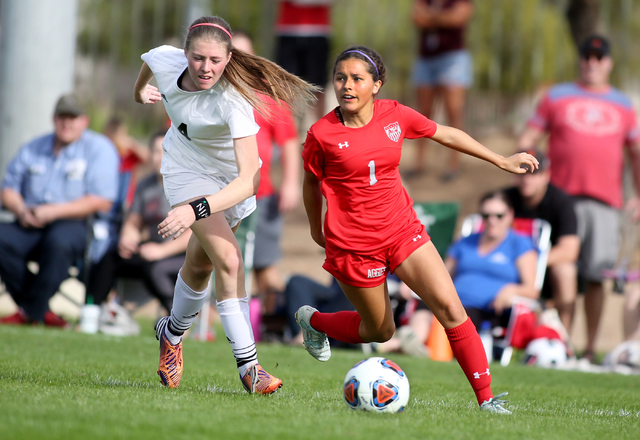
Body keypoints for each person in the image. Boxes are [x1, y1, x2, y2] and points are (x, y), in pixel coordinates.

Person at [296, 45, 539, 414]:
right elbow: (311, 185)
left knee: (450, 308)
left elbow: (446, 134)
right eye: (340, 78)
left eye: (357, 78)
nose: (346, 85)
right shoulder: (322, 134)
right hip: (353, 246)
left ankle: (487, 399)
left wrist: (500, 159)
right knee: (380, 331)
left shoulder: (396, 115)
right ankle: (312, 320)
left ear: (376, 85)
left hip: (401, 230)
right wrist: (317, 231)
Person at [133, 15, 318, 394]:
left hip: (229, 183)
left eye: (216, 61)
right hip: (185, 170)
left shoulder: (234, 99)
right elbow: (149, 62)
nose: (206, 68)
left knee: (200, 264)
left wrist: (194, 210)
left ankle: (171, 333)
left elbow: (249, 180)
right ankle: (250, 368)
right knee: (230, 260)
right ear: (185, 54)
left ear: (229, 59)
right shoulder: (167, 60)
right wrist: (141, 92)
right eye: (198, 58)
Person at [517, 35, 640, 363]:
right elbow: (530, 136)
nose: (593, 62)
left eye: (599, 57)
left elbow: (637, 152)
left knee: (597, 275)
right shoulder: (556, 96)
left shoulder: (624, 104)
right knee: (562, 269)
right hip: (560, 198)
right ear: (580, 59)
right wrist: (522, 156)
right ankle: (559, 343)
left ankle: (587, 349)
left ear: (609, 62)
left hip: (604, 200)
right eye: (587, 55)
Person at [0, 94, 119, 327]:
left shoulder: (99, 149)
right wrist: (22, 210)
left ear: (84, 121)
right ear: (53, 119)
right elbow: (8, 190)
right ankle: (39, 309)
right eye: (62, 117)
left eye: (73, 118)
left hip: (74, 222)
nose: (67, 123)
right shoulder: (34, 147)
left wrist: (54, 212)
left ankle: (30, 313)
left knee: (59, 243)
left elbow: (102, 200)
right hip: (30, 219)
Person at [84, 129, 189, 334]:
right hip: (150, 250)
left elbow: (194, 234)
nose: (158, 157)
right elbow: (134, 221)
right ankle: (92, 314)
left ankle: (180, 324)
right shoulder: (145, 185)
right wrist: (127, 238)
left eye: (164, 151)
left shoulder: (185, 185)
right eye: (155, 152)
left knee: (155, 268)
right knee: (111, 255)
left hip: (181, 255)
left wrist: (161, 251)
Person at [231, 32, 301, 321]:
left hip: (262, 196)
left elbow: (289, 142)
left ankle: (273, 326)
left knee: (264, 264)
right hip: (218, 196)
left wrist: (290, 183)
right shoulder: (208, 94)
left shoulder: (268, 99)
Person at [503, 149, 580, 333]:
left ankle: (562, 339)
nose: (527, 179)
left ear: (546, 175)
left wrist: (529, 262)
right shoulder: (503, 201)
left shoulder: (561, 202)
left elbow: (569, 250)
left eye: (534, 173)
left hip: (542, 267)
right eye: (522, 171)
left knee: (566, 271)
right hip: (506, 265)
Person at [445, 191, 540, 329]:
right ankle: (410, 340)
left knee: (459, 317)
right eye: (486, 216)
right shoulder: (465, 242)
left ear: (510, 215)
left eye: (499, 216)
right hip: (450, 304)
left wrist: (511, 290)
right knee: (424, 307)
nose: (492, 220)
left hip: (485, 311)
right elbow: (442, 276)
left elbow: (532, 291)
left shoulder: (519, 244)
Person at [408, 0, 474, 181]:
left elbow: (458, 18)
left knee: (453, 111)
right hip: (426, 59)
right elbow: (417, 18)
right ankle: (419, 163)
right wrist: (443, 17)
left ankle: (454, 164)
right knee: (422, 114)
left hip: (453, 58)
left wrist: (431, 16)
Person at [275, 0, 333, 122]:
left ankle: (320, 131)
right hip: (288, 30)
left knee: (319, 86)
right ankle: (287, 133)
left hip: (318, 30)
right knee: (285, 84)